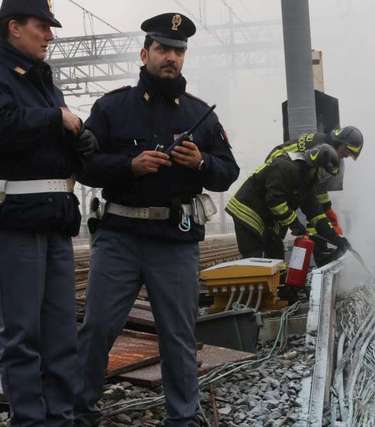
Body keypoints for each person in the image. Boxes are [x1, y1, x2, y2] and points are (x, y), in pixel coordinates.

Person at [74, 13, 239, 426]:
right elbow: (84, 166)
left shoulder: (201, 115)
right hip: (120, 237)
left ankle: (183, 417)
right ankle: (79, 411)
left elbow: (228, 172)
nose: (171, 58)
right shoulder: (112, 108)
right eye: (163, 49)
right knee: (97, 328)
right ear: (144, 54)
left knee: (179, 335)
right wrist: (130, 166)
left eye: (178, 51)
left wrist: (201, 161)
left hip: (175, 239)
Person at [0, 0, 98, 424]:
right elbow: (5, 124)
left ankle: (60, 416)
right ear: (13, 27)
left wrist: (81, 143)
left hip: (56, 220)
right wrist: (57, 119)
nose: (50, 35)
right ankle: (29, 419)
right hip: (17, 218)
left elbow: (49, 136)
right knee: (22, 334)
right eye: (42, 26)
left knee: (60, 332)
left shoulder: (43, 82)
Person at [226, 143, 351, 260]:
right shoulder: (285, 167)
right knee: (255, 259)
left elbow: (315, 213)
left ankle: (276, 282)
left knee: (276, 256)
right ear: (315, 165)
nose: (324, 180)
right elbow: (275, 202)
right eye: (324, 174)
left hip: (265, 218)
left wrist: (335, 238)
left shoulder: (307, 181)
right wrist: (295, 224)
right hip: (247, 211)